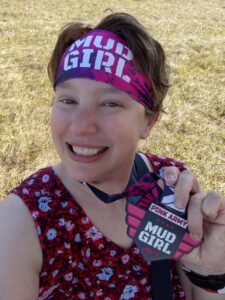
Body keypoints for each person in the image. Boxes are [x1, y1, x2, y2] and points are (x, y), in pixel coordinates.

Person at [0, 12, 225, 300]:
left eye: (109, 103)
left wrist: (210, 272)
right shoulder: (23, 222)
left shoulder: (169, 191)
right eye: (68, 100)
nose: (81, 126)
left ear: (149, 121)